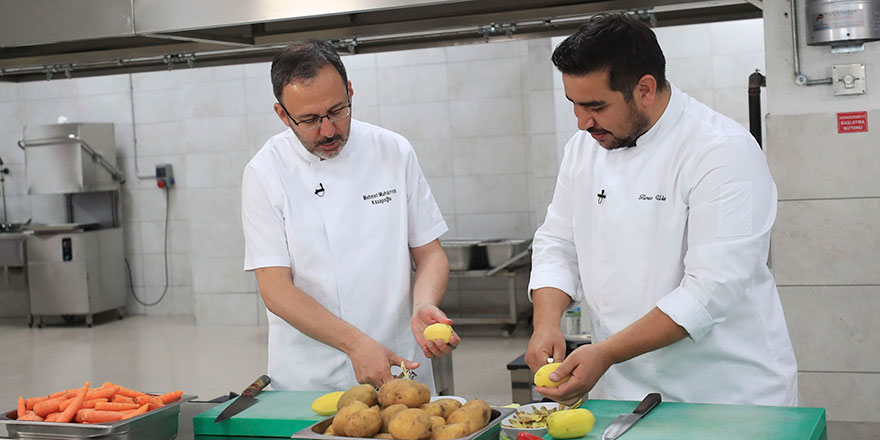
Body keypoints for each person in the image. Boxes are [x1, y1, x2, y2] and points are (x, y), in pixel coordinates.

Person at [525, 13, 798, 406]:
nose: (582, 122)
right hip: (622, 391)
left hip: (723, 395)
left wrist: (605, 352)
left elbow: (709, 292)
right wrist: (546, 322)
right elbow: (557, 242)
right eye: (573, 104)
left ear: (645, 90)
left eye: (595, 106)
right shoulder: (583, 149)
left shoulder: (720, 150)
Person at [241, 40, 459, 392]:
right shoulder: (265, 172)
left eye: (338, 110)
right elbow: (275, 289)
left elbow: (430, 252)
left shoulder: (393, 151)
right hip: (310, 376)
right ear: (283, 114)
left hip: (400, 360)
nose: (328, 130)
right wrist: (355, 344)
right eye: (310, 120)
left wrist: (424, 303)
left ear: (350, 91)